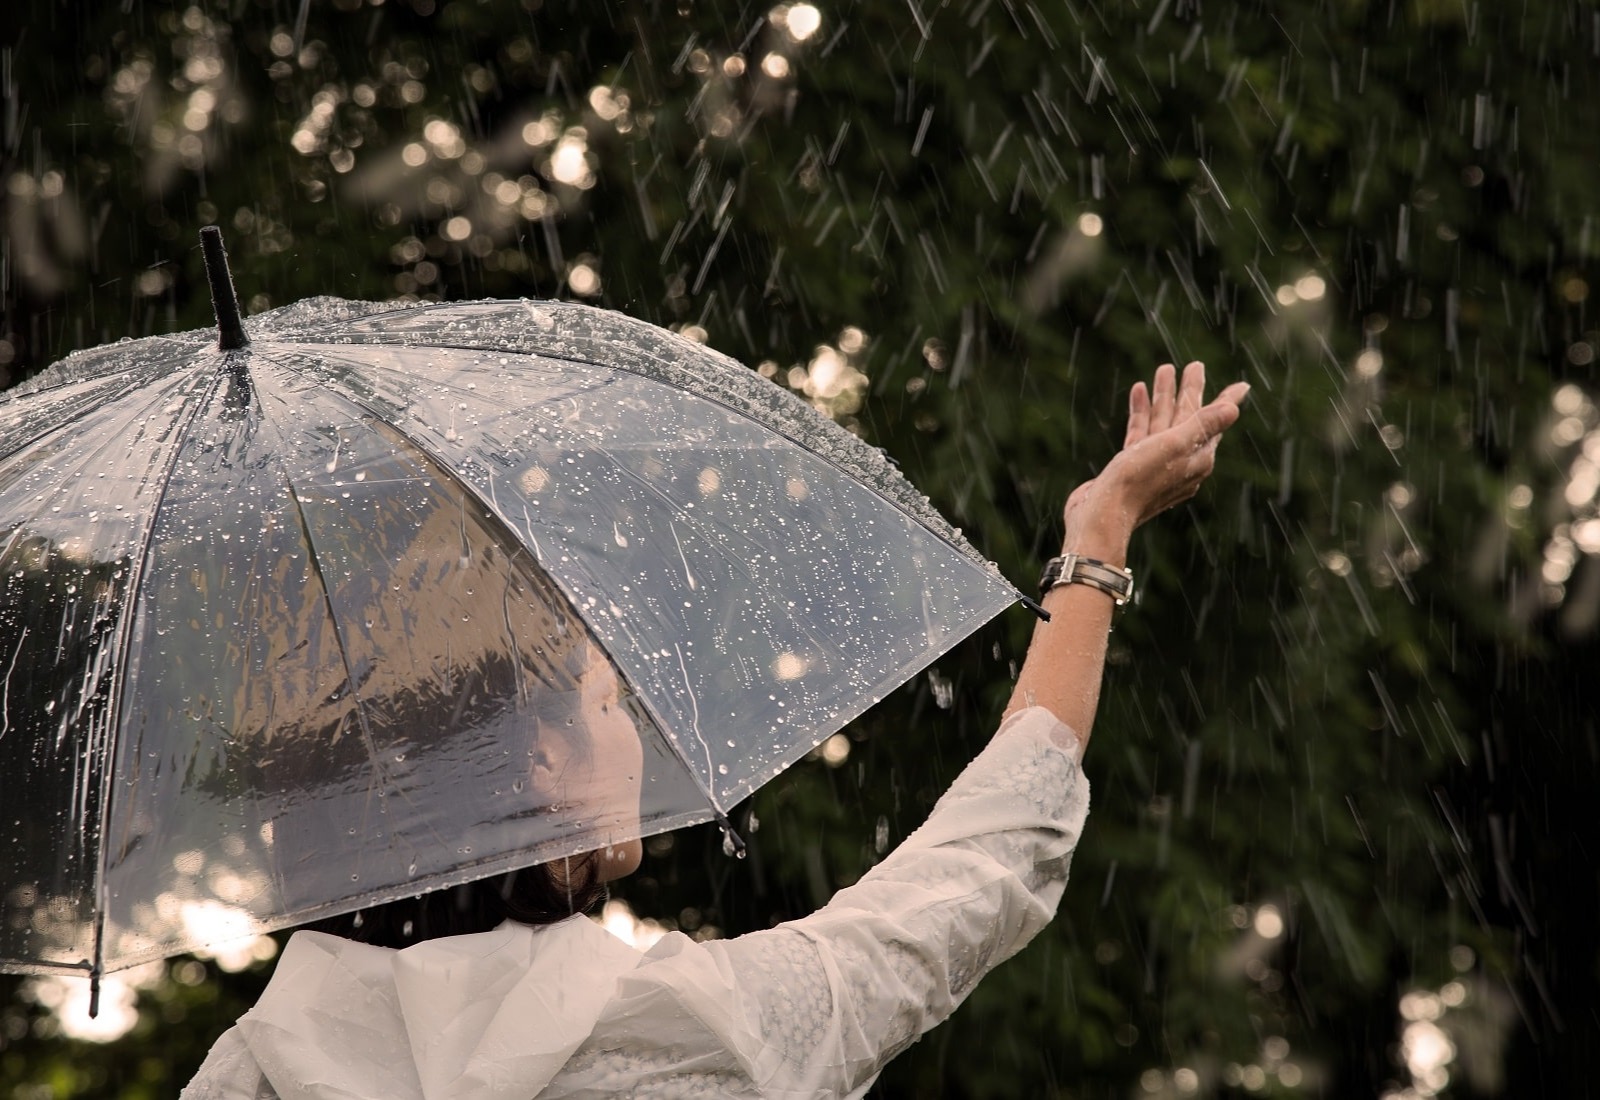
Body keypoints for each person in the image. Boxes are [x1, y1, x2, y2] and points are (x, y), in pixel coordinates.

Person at [183, 362, 1249, 1099]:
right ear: (543, 763)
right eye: (607, 703)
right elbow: (974, 870)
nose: (635, 735)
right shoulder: (672, 1033)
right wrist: (1096, 540)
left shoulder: (249, 1072)